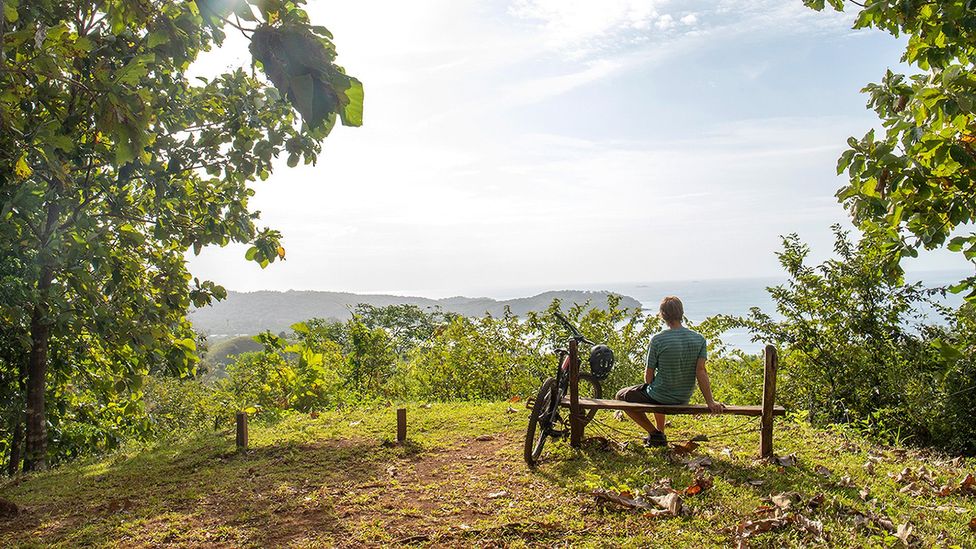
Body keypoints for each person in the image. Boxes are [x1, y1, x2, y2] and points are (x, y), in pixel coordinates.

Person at [615, 296, 725, 446]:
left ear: (663, 315)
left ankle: (655, 434)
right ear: (681, 313)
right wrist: (710, 401)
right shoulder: (699, 339)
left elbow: (648, 377)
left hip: (660, 395)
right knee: (657, 390)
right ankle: (661, 431)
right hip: (682, 397)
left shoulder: (658, 340)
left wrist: (654, 383)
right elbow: (701, 371)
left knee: (621, 395)